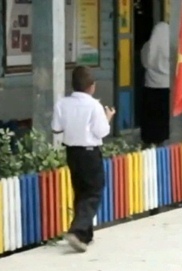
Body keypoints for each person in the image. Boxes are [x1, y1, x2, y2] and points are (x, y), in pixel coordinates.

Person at [51, 66, 116, 252]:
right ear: (92, 86)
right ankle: (78, 231)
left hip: (72, 152)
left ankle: (85, 236)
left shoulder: (62, 103)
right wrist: (107, 117)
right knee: (93, 191)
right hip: (89, 152)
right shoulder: (94, 106)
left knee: (80, 190)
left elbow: (56, 128)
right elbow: (101, 131)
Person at [140, 22, 170, 146]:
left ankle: (149, 144)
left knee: (151, 121)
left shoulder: (147, 47)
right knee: (164, 121)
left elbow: (145, 63)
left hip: (150, 87)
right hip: (167, 87)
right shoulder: (172, 46)